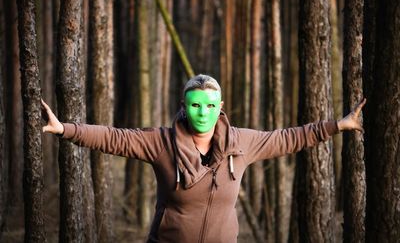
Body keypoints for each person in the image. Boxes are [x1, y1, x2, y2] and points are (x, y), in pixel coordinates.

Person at [42, 74, 365, 243]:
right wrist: (65, 129)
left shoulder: (242, 143)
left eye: (210, 106)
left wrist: (338, 125)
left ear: (220, 106)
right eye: (196, 105)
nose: (203, 113)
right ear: (184, 104)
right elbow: (114, 138)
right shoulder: (161, 143)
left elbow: (288, 138)